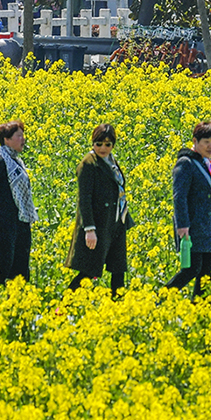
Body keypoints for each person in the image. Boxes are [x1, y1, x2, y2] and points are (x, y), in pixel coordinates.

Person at [66, 124, 133, 296]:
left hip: (116, 223)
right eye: (99, 144)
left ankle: (118, 308)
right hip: (99, 226)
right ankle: (62, 308)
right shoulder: (88, 164)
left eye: (108, 144)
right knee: (90, 270)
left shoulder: (111, 161)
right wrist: (89, 229)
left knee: (118, 270)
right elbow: (84, 199)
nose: (103, 148)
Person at [163, 121, 211, 298]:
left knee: (206, 270)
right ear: (195, 141)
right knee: (191, 269)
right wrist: (182, 225)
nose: (210, 146)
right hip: (192, 225)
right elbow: (179, 196)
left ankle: (199, 308)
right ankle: (160, 299)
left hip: (209, 226)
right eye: (206, 142)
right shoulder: (186, 163)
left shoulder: (208, 162)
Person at [0, 120, 36, 285]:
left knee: (20, 263)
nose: (23, 139)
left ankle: (19, 299)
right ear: (6, 139)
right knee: (2, 262)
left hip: (20, 220)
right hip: (4, 223)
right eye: (19, 136)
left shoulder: (16, 162)